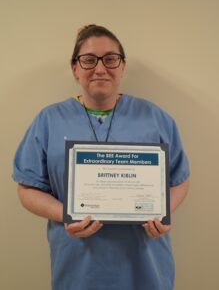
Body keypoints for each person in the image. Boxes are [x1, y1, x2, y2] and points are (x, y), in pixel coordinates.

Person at [13, 24, 190, 290]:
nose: (100, 68)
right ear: (75, 69)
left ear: (122, 66)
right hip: (78, 268)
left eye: (110, 59)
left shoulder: (156, 118)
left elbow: (180, 179)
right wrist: (67, 214)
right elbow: (27, 188)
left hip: (146, 266)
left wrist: (162, 214)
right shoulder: (48, 120)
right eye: (88, 60)